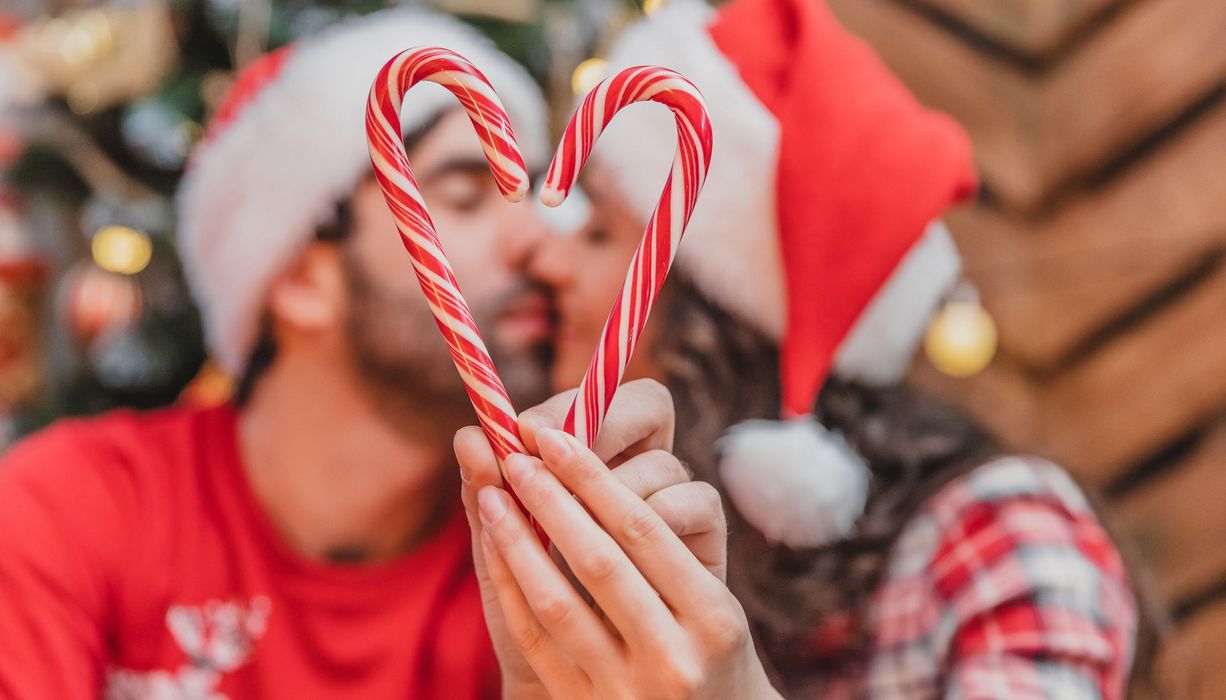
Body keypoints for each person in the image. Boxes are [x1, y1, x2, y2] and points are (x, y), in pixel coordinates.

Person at [0, 8, 766, 698]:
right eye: (467, 194)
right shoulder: (65, 513)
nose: (541, 243)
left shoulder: (550, 575)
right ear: (301, 276)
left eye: (534, 195)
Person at [527, 0, 1142, 697]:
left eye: (599, 232)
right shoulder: (638, 538)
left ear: (714, 314)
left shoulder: (1000, 535)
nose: (548, 262)